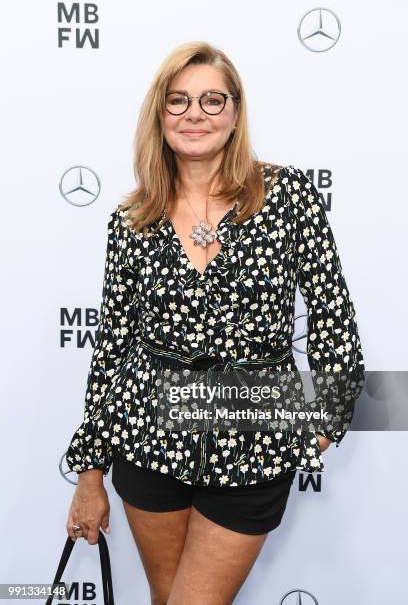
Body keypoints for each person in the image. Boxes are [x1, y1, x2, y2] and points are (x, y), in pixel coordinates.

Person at [65, 41, 365, 605]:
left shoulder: (287, 197)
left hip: (253, 436)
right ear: (159, 114)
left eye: (211, 100)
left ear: (234, 111)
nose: (194, 114)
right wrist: (89, 473)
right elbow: (111, 348)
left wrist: (322, 423)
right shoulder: (131, 221)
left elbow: (333, 318)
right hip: (148, 439)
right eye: (178, 101)